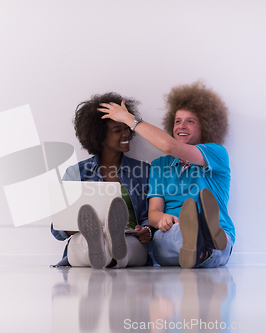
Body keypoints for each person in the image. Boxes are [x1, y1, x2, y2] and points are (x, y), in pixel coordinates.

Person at [98, 81, 235, 269]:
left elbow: (171, 146)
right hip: (172, 233)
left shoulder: (216, 153)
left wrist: (130, 119)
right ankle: (200, 242)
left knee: (214, 243)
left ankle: (205, 241)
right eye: (177, 121)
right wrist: (161, 218)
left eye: (190, 121)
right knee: (169, 236)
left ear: (206, 126)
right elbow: (153, 212)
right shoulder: (160, 166)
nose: (181, 126)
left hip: (219, 235)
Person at [51, 92, 151, 269]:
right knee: (87, 243)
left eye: (127, 127)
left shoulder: (143, 171)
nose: (126, 133)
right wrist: (85, 225)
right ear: (99, 136)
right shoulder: (76, 173)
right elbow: (57, 230)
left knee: (123, 245)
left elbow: (148, 219)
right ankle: (103, 245)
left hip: (130, 238)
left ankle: (110, 245)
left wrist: (146, 231)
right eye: (117, 130)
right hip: (85, 238)